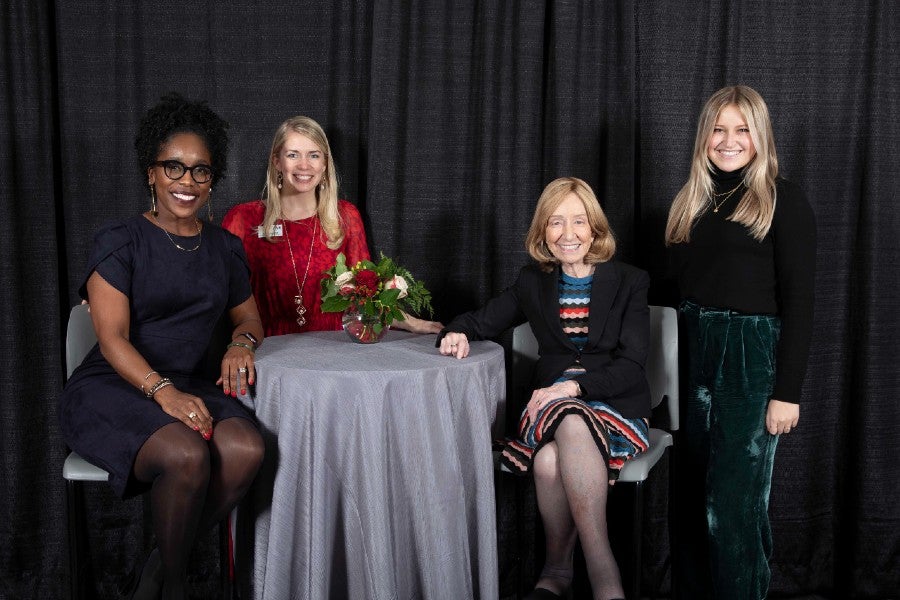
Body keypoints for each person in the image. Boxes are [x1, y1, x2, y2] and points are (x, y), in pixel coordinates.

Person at [58, 93, 265, 600]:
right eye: (174, 167)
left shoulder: (225, 247)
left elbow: (250, 320)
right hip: (115, 384)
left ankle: (157, 566)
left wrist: (241, 344)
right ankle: (174, 588)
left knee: (247, 448)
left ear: (212, 178)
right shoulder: (119, 239)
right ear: (151, 173)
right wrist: (164, 393)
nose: (187, 182)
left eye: (200, 171)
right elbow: (111, 338)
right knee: (187, 455)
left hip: (189, 380)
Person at [438, 177, 650, 600]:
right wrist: (455, 332)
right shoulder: (532, 281)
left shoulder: (630, 280)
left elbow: (632, 365)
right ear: (542, 231)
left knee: (551, 459)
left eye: (578, 222)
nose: (567, 234)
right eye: (555, 222)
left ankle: (563, 573)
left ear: (595, 229)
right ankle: (600, 579)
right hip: (551, 412)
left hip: (616, 412)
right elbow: (480, 321)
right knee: (565, 427)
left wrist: (572, 388)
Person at [665, 85, 816, 600]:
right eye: (719, 128)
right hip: (691, 349)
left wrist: (787, 392)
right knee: (688, 496)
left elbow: (801, 301)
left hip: (749, 356)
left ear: (760, 136)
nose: (729, 140)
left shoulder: (783, 199)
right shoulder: (691, 201)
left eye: (742, 129)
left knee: (733, 505)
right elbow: (673, 293)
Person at [222, 116, 441, 336]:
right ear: (277, 161)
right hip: (267, 350)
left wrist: (409, 321)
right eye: (292, 155)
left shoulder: (345, 216)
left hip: (332, 350)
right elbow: (224, 297)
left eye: (314, 155)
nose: (304, 165)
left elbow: (366, 295)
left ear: (325, 164)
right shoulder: (244, 218)